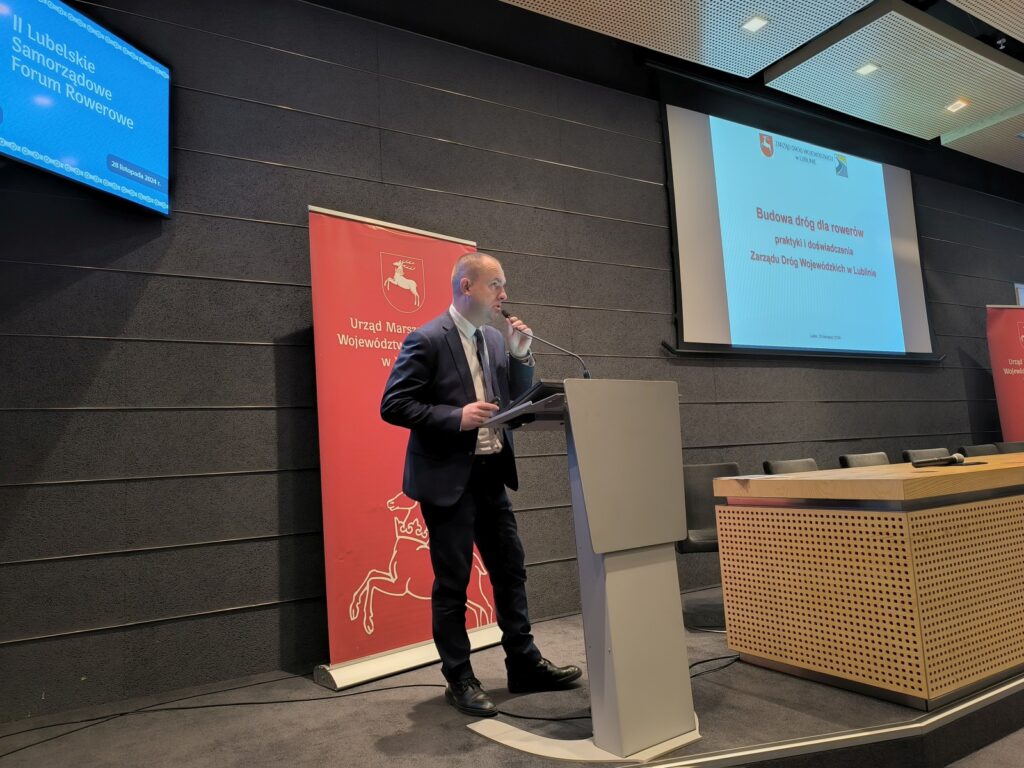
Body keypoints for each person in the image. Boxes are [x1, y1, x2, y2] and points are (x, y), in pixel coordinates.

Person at [380, 252, 581, 717]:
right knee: (454, 583)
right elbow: (393, 404)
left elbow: (514, 397)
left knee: (511, 571)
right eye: (496, 285)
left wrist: (520, 354)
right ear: (466, 286)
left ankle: (523, 664)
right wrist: (457, 416)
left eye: (503, 285)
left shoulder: (492, 338)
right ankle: (460, 678)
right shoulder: (427, 339)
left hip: (491, 475)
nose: (504, 294)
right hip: (448, 482)